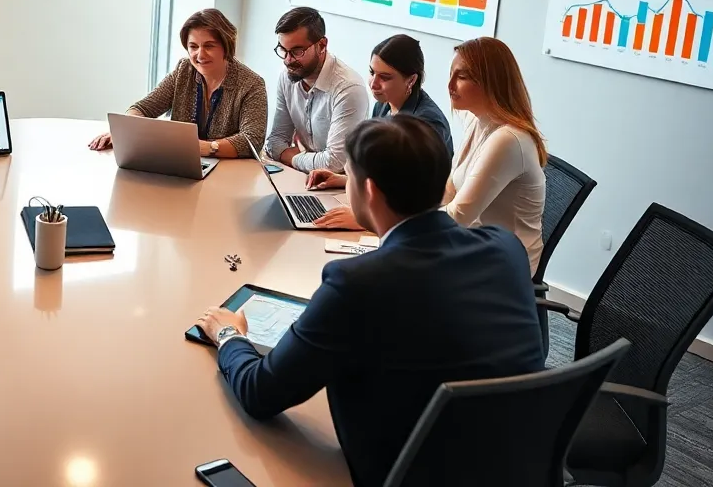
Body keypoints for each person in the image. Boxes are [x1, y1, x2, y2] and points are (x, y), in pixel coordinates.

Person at [194, 116, 545, 487]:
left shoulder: (356, 283)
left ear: (370, 191)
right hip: (516, 462)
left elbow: (260, 393)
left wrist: (230, 336)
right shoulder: (505, 248)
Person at [307, 33, 453, 229]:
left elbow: (413, 196)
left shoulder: (426, 123)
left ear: (411, 80)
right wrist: (346, 180)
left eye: (384, 77)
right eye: (372, 72)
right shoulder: (384, 106)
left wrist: (365, 220)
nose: (373, 84)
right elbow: (387, 175)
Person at [88, 8, 267, 158]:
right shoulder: (184, 70)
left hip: (231, 173)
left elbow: (252, 140)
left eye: (209, 46)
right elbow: (144, 108)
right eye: (193, 46)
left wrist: (206, 147)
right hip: (182, 166)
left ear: (226, 46)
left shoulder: (251, 84)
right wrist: (125, 130)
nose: (200, 55)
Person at [439, 36, 547, 274]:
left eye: (462, 76)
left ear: (491, 82)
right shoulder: (476, 120)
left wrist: (396, 223)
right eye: (451, 74)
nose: (450, 85)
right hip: (474, 245)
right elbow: (450, 190)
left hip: (502, 266)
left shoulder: (508, 139)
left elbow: (459, 216)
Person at [264, 6, 369, 182]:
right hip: (305, 178)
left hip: (343, 187)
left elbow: (335, 163)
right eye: (283, 50)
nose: (288, 60)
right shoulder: (287, 75)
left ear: (322, 45)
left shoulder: (348, 88)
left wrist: (292, 157)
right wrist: (304, 161)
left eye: (297, 51)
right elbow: (275, 142)